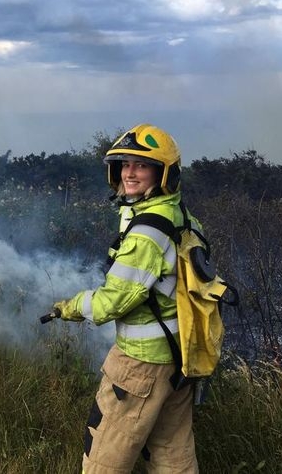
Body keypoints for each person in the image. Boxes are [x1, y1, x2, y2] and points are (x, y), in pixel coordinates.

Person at [52, 124, 198, 473]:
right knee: (172, 457)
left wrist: (70, 308)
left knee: (104, 457)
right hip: (178, 358)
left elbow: (112, 301)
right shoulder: (179, 217)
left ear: (164, 173)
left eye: (141, 165)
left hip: (139, 367)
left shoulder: (148, 231)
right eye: (124, 164)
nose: (129, 172)